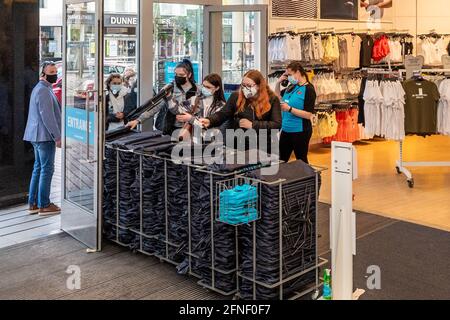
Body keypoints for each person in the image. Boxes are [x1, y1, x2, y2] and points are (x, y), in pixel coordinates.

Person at [200, 69, 281, 151]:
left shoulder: (272, 99)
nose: (245, 88)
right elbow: (223, 114)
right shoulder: (236, 96)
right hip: (238, 144)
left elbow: (276, 124)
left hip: (262, 146)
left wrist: (253, 125)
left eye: (249, 85)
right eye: (243, 85)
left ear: (259, 86)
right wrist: (210, 120)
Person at [23, 61, 61, 216]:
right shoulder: (43, 91)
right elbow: (48, 117)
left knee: (38, 168)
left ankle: (33, 203)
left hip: (37, 135)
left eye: (55, 71)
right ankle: (44, 204)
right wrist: (57, 137)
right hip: (44, 136)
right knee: (46, 169)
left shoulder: (41, 89)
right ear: (43, 74)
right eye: (51, 72)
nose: (54, 74)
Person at [127, 59, 197, 135]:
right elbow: (156, 106)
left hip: (191, 129)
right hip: (171, 129)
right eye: (176, 74)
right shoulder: (170, 88)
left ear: (189, 75)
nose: (178, 77)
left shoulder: (197, 90)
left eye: (181, 75)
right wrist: (138, 120)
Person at [274, 61, 316, 164]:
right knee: (281, 160)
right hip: (286, 130)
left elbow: (308, 114)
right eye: (287, 75)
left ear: (298, 72)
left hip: (300, 131)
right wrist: (278, 83)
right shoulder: (291, 87)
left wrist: (289, 109)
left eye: (290, 75)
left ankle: (309, 179)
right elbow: (277, 97)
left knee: (301, 161)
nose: (288, 78)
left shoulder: (309, 89)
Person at [175, 73, 229, 141]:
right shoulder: (196, 100)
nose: (204, 89)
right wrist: (169, 98)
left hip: (212, 143)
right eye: (203, 86)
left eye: (208, 87)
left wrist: (191, 119)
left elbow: (209, 125)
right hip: (194, 141)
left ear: (217, 88)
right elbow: (178, 109)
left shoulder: (222, 106)